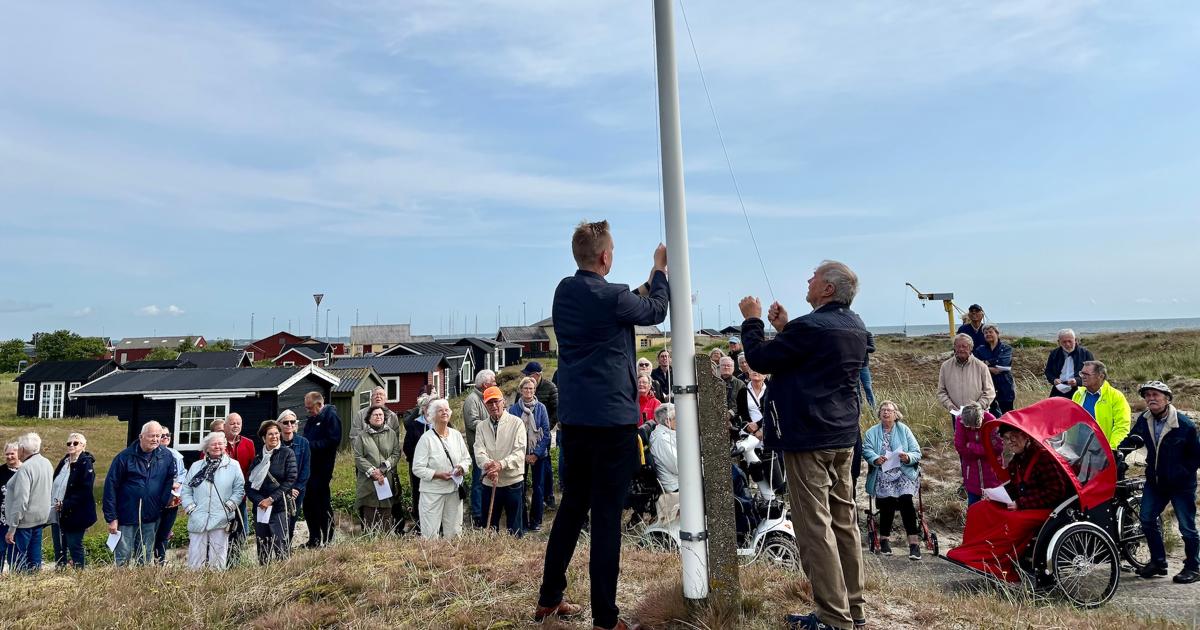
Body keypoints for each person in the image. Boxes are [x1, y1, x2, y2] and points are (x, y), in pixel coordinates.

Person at [536, 220, 669, 630]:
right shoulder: (614, 298)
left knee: (573, 507)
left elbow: (627, 302)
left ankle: (549, 599)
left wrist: (644, 284)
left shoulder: (566, 290)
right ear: (607, 257)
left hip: (575, 421)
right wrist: (660, 269)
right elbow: (656, 310)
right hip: (613, 422)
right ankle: (606, 619)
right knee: (607, 518)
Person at [739, 259, 869, 630]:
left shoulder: (811, 326)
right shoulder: (854, 324)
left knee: (815, 527)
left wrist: (753, 320)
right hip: (843, 437)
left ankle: (833, 618)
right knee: (844, 522)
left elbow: (760, 358)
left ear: (828, 289)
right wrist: (784, 328)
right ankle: (853, 610)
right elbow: (810, 358)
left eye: (814, 276)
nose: (808, 280)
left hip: (810, 438)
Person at [946, 424, 1074, 583]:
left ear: (1026, 435)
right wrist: (997, 495)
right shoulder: (1017, 459)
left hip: (1047, 509)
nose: (1009, 441)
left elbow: (1056, 492)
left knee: (1013, 521)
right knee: (978, 509)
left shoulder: (1044, 457)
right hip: (1024, 504)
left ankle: (995, 561)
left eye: (1013, 436)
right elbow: (1015, 486)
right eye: (1006, 438)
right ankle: (972, 552)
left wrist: (1021, 503)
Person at [1125, 381, 1200, 583]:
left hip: (1181, 484)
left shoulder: (1184, 425)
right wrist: (1118, 453)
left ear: (1167, 399)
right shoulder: (1145, 418)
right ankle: (1158, 562)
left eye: (1155, 395)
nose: (1151, 398)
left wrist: (1181, 473)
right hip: (1156, 481)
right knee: (1147, 519)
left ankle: (1194, 567)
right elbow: (1132, 439)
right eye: (1147, 395)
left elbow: (1196, 457)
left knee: (1186, 527)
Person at [103, 421, 176, 566]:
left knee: (145, 556)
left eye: (158, 436)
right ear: (141, 436)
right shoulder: (124, 457)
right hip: (126, 516)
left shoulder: (166, 456)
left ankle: (142, 585)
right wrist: (111, 517)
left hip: (150, 516)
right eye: (152, 436)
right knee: (123, 556)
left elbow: (169, 481)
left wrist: (161, 504)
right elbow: (110, 487)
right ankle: (121, 586)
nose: (155, 439)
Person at [862, 402, 924, 560]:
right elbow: (866, 450)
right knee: (887, 502)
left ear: (896, 414)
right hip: (883, 472)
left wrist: (907, 457)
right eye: (883, 410)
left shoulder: (904, 430)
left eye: (889, 410)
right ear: (879, 414)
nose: (886, 413)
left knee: (906, 501)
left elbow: (916, 451)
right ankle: (884, 540)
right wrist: (876, 459)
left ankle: (914, 544)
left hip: (903, 471)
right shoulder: (872, 432)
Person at [182, 432, 245, 570]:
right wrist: (191, 508)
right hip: (199, 516)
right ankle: (194, 584)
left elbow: (239, 489)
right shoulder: (196, 466)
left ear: (225, 446)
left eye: (220, 443)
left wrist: (229, 507)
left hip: (221, 516)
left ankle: (216, 585)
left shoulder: (233, 465)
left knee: (218, 556)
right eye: (213, 444)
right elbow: (186, 489)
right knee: (195, 558)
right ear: (207, 448)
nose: (217, 446)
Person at [412, 398, 472, 539]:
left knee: (455, 533)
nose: (444, 412)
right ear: (433, 415)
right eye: (440, 410)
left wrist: (462, 468)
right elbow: (417, 468)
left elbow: (467, 459)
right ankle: (430, 560)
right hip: (432, 493)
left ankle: (452, 560)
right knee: (430, 534)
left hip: (454, 490)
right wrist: (437, 474)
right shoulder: (426, 439)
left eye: (446, 409)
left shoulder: (456, 435)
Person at [476, 386, 527, 535]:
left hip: (512, 482)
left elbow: (519, 452)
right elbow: (479, 451)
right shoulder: (481, 426)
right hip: (489, 482)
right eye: (489, 403)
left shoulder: (516, 423)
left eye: (496, 402)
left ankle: (515, 555)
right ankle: (491, 554)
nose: (493, 406)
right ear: (485, 405)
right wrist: (488, 465)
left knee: (515, 527)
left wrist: (500, 464)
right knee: (490, 527)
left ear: (503, 402)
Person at [245, 420, 298, 564]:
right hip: (261, 508)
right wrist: (259, 501)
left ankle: (283, 575)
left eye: (276, 433)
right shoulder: (258, 459)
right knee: (263, 545)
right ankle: (264, 576)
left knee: (280, 544)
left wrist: (271, 499)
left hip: (279, 507)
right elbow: (249, 486)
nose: (274, 436)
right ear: (264, 438)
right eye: (270, 434)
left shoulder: (287, 453)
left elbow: (290, 480)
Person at [4, 433, 53, 572]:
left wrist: (12, 528)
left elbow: (21, 500)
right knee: (34, 559)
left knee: (18, 560)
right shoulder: (46, 463)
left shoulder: (26, 468)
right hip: (40, 520)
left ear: (23, 449)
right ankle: (34, 585)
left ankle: (21, 588)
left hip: (23, 523)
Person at [50, 432, 97, 569]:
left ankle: (80, 575)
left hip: (76, 513)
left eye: (75, 443)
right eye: (69, 443)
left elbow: (85, 491)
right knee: (58, 546)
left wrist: (66, 504)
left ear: (83, 445)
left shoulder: (85, 464)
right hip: (56, 510)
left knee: (74, 545)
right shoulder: (64, 462)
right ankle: (60, 573)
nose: (71, 445)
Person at [352, 405, 402, 532]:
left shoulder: (391, 434)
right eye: (375, 415)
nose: (379, 417)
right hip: (368, 482)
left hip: (386, 480)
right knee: (369, 517)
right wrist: (372, 472)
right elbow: (358, 457)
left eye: (381, 414)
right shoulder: (362, 436)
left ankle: (384, 545)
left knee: (386, 516)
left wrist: (382, 470)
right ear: (369, 418)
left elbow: (396, 454)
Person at [510, 377, 551, 532]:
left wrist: (535, 454)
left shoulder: (541, 408)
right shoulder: (513, 410)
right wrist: (523, 455)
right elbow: (512, 435)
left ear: (535, 391)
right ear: (521, 390)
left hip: (538, 455)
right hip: (520, 455)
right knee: (519, 487)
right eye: (526, 388)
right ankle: (522, 521)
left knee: (538, 487)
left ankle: (536, 520)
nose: (529, 391)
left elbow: (546, 434)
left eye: (531, 389)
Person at [302, 391, 342, 548]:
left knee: (322, 503)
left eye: (310, 407)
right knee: (308, 504)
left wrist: (310, 446)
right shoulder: (312, 418)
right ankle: (314, 538)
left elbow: (333, 441)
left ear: (319, 404)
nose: (308, 411)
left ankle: (328, 538)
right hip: (309, 469)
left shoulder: (331, 417)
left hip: (322, 468)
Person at [522, 361, 560, 512]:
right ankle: (523, 498)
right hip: (525, 438)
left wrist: (545, 429)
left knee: (546, 468)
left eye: (529, 374)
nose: (526, 377)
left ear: (537, 375)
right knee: (523, 469)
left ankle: (548, 497)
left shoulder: (550, 388)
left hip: (543, 436)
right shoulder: (524, 387)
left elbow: (556, 411)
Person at [1070, 360, 1132, 449]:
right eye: (1082, 373)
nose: (1083, 377)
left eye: (1087, 374)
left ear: (1101, 376)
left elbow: (1122, 426)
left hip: (1102, 452)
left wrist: (1111, 450)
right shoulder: (1078, 394)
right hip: (1078, 449)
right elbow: (1071, 422)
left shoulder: (1116, 397)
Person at [936, 333, 996, 420]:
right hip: (957, 415)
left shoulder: (981, 366)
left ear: (971, 348)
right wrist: (950, 406)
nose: (961, 349)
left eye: (964, 346)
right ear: (954, 347)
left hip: (979, 414)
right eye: (958, 346)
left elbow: (990, 392)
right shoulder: (945, 366)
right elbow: (941, 392)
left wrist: (977, 406)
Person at [953, 403, 1002, 506]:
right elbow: (960, 447)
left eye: (976, 426)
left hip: (991, 470)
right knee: (973, 503)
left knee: (996, 503)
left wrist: (971, 446)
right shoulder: (960, 420)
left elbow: (998, 448)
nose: (973, 429)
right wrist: (984, 450)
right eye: (969, 427)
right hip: (971, 469)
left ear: (981, 417)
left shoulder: (991, 420)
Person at [464, 370, 495, 527]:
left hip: (490, 449)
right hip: (478, 449)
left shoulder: (487, 397)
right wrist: (491, 424)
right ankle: (476, 514)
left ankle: (486, 510)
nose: (495, 384)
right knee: (478, 481)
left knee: (488, 480)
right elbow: (472, 422)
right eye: (493, 381)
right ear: (485, 384)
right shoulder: (472, 399)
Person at [223, 412, 255, 559]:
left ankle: (236, 556)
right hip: (222, 495)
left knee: (242, 527)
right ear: (225, 426)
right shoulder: (218, 442)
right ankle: (223, 556)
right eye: (232, 423)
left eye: (238, 423)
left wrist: (246, 489)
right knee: (224, 528)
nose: (235, 426)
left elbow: (251, 468)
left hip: (240, 494)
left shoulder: (248, 443)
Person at [152, 428, 186, 565]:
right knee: (152, 532)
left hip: (172, 500)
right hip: (156, 500)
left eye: (168, 435)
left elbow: (183, 473)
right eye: (162, 435)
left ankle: (160, 561)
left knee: (165, 532)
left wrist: (178, 483)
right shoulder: (151, 454)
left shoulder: (176, 455)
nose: (166, 437)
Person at [402, 394, 434, 533]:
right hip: (420, 470)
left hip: (438, 470)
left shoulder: (443, 423)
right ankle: (421, 525)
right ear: (424, 408)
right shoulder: (415, 425)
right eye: (430, 406)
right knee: (420, 496)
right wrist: (421, 458)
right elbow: (407, 448)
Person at [278, 409, 311, 542]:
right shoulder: (275, 441)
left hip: (297, 490)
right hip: (278, 489)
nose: (289, 425)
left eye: (292, 422)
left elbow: (306, 468)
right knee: (278, 519)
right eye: (286, 422)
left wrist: (297, 488)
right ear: (279, 424)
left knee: (292, 518)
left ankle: (287, 548)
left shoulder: (303, 443)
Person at [972, 324, 1014, 416]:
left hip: (1005, 384)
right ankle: (995, 430)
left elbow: (1003, 362)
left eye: (990, 332)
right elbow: (976, 365)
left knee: (1007, 412)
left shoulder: (1006, 348)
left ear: (997, 333)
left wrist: (985, 362)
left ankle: (1008, 430)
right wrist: (991, 367)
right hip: (987, 383)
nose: (988, 334)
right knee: (991, 411)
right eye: (985, 333)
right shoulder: (980, 350)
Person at [1044, 329, 1094, 399]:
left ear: (1075, 340)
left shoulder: (1086, 354)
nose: (1067, 344)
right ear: (1059, 342)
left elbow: (1092, 374)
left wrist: (1077, 381)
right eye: (1064, 342)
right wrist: (1054, 380)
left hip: (1080, 390)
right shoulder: (1054, 354)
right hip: (1058, 389)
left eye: (1070, 341)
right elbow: (1048, 371)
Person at [648, 403, 678, 493]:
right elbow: (677, 467)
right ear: (668, 421)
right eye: (677, 418)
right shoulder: (661, 439)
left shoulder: (669, 432)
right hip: (675, 485)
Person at [0, 442, 20, 572]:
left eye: (12, 453)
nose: (9, 456)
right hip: (1, 519)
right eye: (7, 454)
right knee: (0, 549)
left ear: (19, 454)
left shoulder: (25, 470)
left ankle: (15, 577)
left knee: (16, 551)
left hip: (19, 519)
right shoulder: (0, 471)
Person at [718, 356, 746, 441]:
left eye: (729, 365)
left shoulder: (740, 384)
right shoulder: (713, 383)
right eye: (723, 365)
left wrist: (730, 414)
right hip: (716, 421)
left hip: (735, 422)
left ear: (733, 368)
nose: (726, 367)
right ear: (719, 367)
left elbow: (742, 405)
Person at [858, 331, 876, 411]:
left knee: (868, 387)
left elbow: (872, 348)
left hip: (864, 366)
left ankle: (874, 410)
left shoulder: (867, 333)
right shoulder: (850, 333)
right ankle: (859, 410)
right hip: (852, 366)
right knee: (856, 389)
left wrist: (861, 346)